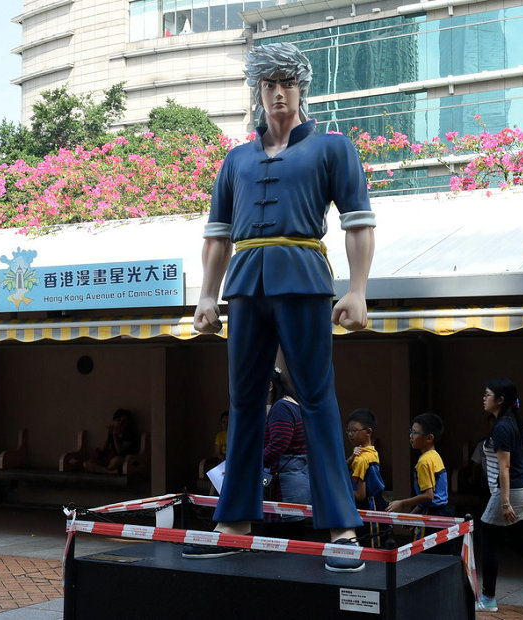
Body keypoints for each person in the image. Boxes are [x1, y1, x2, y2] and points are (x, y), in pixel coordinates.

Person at [186, 42, 375, 572]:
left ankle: (342, 527)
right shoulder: (236, 159)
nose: (278, 94)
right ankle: (232, 523)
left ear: (302, 89)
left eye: (287, 84)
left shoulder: (334, 148)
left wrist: (357, 289)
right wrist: (206, 294)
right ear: (257, 92)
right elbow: (218, 236)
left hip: (306, 279)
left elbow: (358, 221)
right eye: (268, 85)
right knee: (244, 402)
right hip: (245, 286)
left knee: (317, 399)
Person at [474, 379, 523, 613]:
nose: (483, 398)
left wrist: (504, 503)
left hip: (509, 493)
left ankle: (488, 599)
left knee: (487, 540)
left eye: (487, 394)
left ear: (500, 400)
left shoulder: (503, 426)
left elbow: (504, 467)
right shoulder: (513, 422)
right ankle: (488, 597)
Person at [386, 412, 455, 554]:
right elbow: (431, 497)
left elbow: (428, 496)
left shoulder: (424, 462)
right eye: (410, 431)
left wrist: (402, 503)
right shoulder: (435, 456)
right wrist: (414, 516)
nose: (411, 436)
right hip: (444, 513)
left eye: (415, 432)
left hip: (432, 517)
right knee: (442, 557)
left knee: (425, 558)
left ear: (429, 438)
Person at [261, 367, 310, 540]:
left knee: (278, 541)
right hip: (298, 480)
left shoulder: (280, 407)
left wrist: (252, 464)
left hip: (284, 485)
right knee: (295, 536)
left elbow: (278, 445)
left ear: (269, 386)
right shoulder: (294, 405)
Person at [345, 408, 388, 548]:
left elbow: (360, 495)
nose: (350, 435)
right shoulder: (372, 451)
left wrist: (342, 492)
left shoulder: (361, 460)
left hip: (369, 506)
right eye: (348, 431)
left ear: (368, 432)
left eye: (354, 431)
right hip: (378, 503)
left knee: (370, 545)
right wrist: (352, 457)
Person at [84, 409, 139, 474]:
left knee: (118, 460)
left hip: (120, 459)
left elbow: (119, 452)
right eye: (118, 420)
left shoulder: (129, 434)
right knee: (86, 464)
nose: (120, 423)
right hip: (109, 459)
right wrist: (108, 434)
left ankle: (100, 470)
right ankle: (109, 472)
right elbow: (104, 448)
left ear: (127, 422)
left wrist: (114, 436)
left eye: (124, 421)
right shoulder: (112, 431)